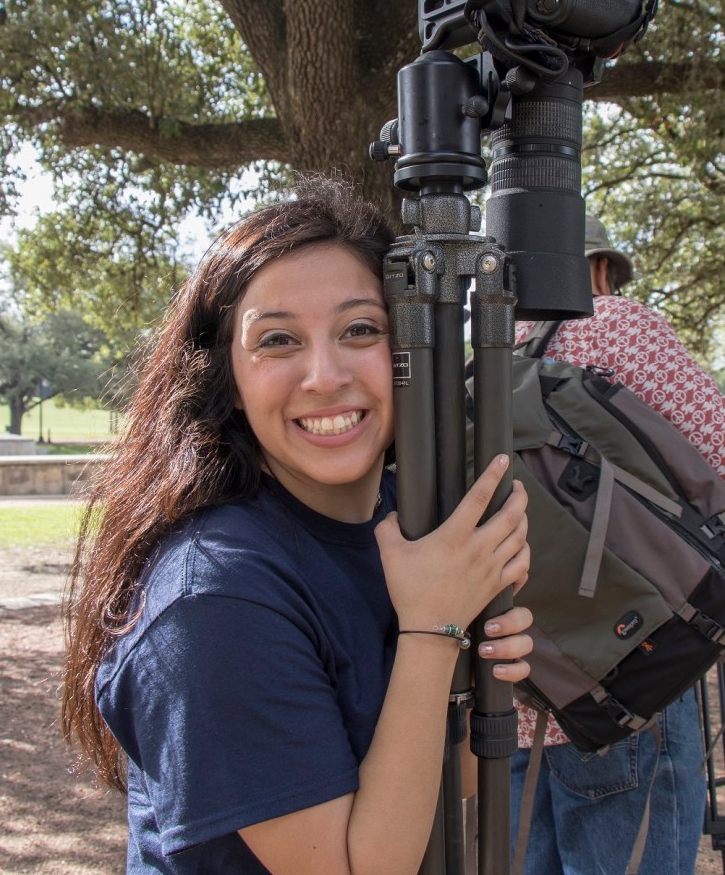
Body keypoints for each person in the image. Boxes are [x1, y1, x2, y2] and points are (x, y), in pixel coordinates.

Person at [61, 174, 533, 875]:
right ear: (227, 377)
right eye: (278, 340)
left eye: (361, 329)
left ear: (413, 353)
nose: (324, 374)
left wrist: (491, 661)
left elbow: (446, 782)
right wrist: (433, 630)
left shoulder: (409, 530)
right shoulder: (211, 602)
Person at [510, 215, 725, 875]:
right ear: (597, 270)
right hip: (630, 679)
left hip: (521, 696)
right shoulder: (615, 325)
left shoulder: (479, 363)